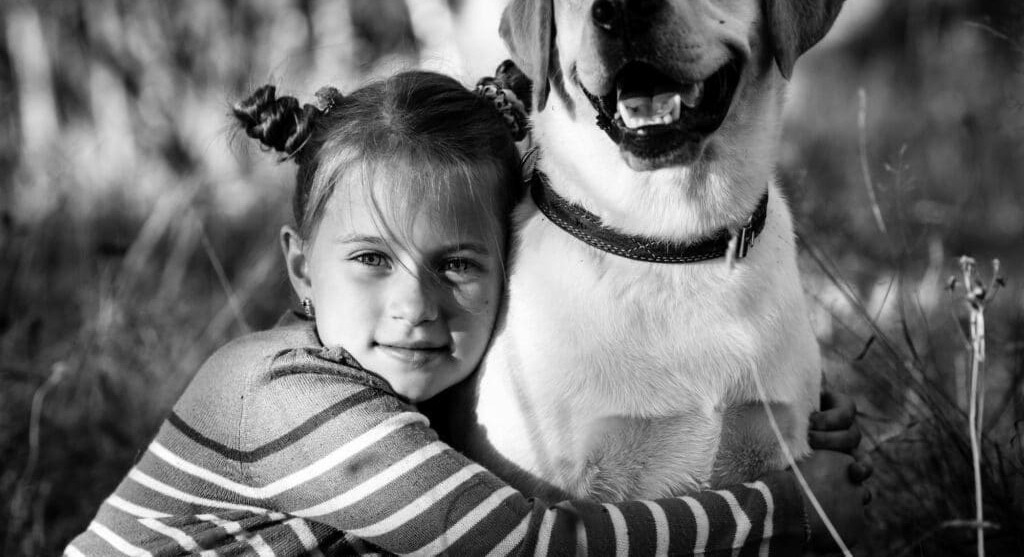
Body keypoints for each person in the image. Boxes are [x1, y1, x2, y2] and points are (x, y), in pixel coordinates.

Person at [66, 69, 869, 556]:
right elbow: (525, 545)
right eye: (371, 260)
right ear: (300, 268)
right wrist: (792, 506)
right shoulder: (278, 395)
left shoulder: (416, 403)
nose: (415, 307)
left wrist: (763, 439)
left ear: (510, 267)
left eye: (456, 265)